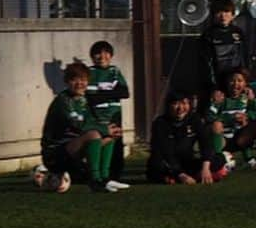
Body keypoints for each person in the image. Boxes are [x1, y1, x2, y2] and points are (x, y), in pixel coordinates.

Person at [40, 61, 126, 192]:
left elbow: (92, 121)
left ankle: (105, 178)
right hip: (55, 154)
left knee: (110, 135)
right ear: (67, 82)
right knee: (94, 134)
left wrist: (107, 129)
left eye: (83, 80)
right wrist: (102, 129)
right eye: (74, 80)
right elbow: (77, 124)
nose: (79, 83)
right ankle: (94, 181)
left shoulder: (83, 100)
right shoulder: (62, 101)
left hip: (73, 149)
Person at [205, 67, 256, 172]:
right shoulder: (220, 97)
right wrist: (229, 118)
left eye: (240, 81)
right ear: (226, 82)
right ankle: (218, 162)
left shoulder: (246, 98)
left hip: (240, 138)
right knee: (216, 125)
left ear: (245, 84)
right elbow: (208, 117)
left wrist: (248, 113)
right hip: (223, 140)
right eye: (232, 80)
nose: (236, 84)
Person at [146, 89, 226, 185]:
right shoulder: (160, 123)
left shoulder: (194, 119)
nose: (180, 108)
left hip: (186, 161)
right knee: (156, 164)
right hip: (168, 163)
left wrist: (206, 168)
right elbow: (164, 152)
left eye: (184, 103)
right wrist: (180, 174)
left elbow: (205, 143)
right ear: (168, 106)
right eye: (176, 104)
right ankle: (174, 177)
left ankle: (197, 175)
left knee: (219, 158)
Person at [85, 40, 130, 188]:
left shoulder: (115, 71)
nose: (102, 56)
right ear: (92, 56)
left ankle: (113, 176)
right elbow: (90, 97)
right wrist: (112, 93)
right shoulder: (90, 72)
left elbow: (125, 92)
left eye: (106, 52)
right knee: (99, 142)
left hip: (114, 114)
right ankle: (97, 176)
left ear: (111, 55)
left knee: (115, 143)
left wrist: (102, 93)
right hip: (97, 116)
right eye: (98, 53)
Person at [199, 0, 254, 106]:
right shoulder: (208, 35)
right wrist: (213, 88)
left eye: (226, 11)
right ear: (213, 15)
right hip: (218, 85)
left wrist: (247, 84)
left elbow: (245, 59)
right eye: (219, 12)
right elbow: (206, 65)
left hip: (237, 84)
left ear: (233, 14)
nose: (223, 16)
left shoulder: (238, 32)